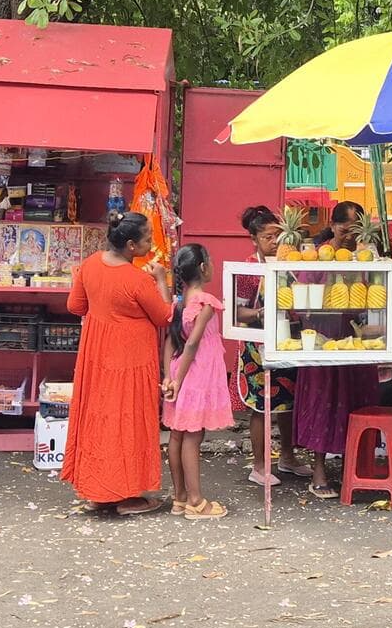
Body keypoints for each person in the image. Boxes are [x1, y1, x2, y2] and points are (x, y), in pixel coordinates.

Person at [62, 211, 173, 516]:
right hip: (131, 358)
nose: (151, 244)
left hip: (97, 355)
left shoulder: (89, 264)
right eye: (147, 239)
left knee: (99, 417)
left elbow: (75, 306)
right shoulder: (138, 280)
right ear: (131, 246)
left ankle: (98, 491)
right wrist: (160, 279)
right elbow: (164, 316)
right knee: (128, 420)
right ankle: (128, 496)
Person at [294, 201, 379, 498]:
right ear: (333, 226)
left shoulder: (366, 256)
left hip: (358, 340)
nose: (350, 236)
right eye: (345, 230)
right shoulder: (318, 256)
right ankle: (318, 470)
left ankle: (352, 467)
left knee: (356, 401)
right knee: (323, 401)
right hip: (324, 338)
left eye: (356, 231)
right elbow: (300, 300)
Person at [231, 206, 312, 486]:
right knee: (262, 406)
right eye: (267, 237)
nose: (275, 242)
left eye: (278, 236)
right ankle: (259, 466)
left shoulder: (290, 264)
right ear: (253, 239)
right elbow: (237, 312)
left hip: (288, 340)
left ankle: (287, 457)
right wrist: (259, 313)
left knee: (288, 403)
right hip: (258, 346)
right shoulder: (248, 269)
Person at [161, 244, 232, 520]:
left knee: (177, 435)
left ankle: (179, 498)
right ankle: (196, 502)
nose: (213, 265)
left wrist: (168, 376)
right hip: (197, 375)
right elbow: (192, 344)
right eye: (210, 260)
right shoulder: (205, 303)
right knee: (193, 436)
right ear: (203, 268)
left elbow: (171, 341)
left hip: (179, 370)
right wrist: (178, 380)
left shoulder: (179, 303)